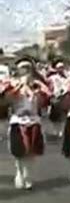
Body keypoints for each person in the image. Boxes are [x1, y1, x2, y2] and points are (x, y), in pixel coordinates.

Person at [1, 58, 51, 189]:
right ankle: (19, 171)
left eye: (28, 68)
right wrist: (18, 87)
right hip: (17, 119)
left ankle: (28, 176)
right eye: (23, 68)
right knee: (19, 151)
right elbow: (5, 101)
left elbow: (46, 100)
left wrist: (37, 90)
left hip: (34, 120)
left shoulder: (39, 84)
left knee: (31, 152)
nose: (25, 72)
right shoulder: (11, 84)